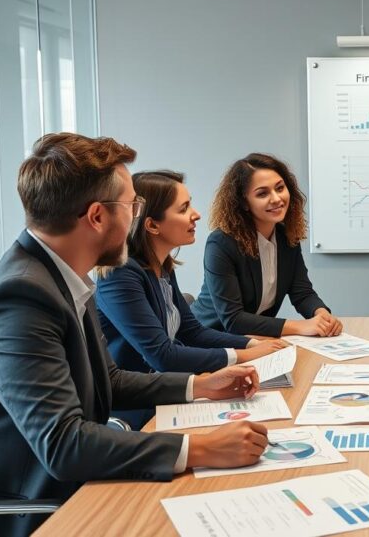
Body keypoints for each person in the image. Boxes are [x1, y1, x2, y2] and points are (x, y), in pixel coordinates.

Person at [0, 134, 271, 537]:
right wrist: (201, 448)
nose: (135, 217)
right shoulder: (18, 297)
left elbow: (107, 381)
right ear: (97, 216)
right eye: (132, 205)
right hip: (23, 510)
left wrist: (201, 385)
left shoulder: (60, 276)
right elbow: (63, 444)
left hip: (67, 486)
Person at [96, 170, 289, 429]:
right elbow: (161, 356)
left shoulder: (162, 266)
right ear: (152, 225)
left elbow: (192, 331)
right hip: (137, 411)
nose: (196, 214)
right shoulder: (119, 274)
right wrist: (241, 356)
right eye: (184, 208)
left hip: (168, 394)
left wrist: (253, 343)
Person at [191, 154, 342, 337]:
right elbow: (233, 319)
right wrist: (300, 326)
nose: (277, 199)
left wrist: (321, 314)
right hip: (209, 340)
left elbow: (302, 293)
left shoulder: (286, 237)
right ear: (244, 203)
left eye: (280, 188)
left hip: (255, 339)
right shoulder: (221, 243)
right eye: (262, 193)